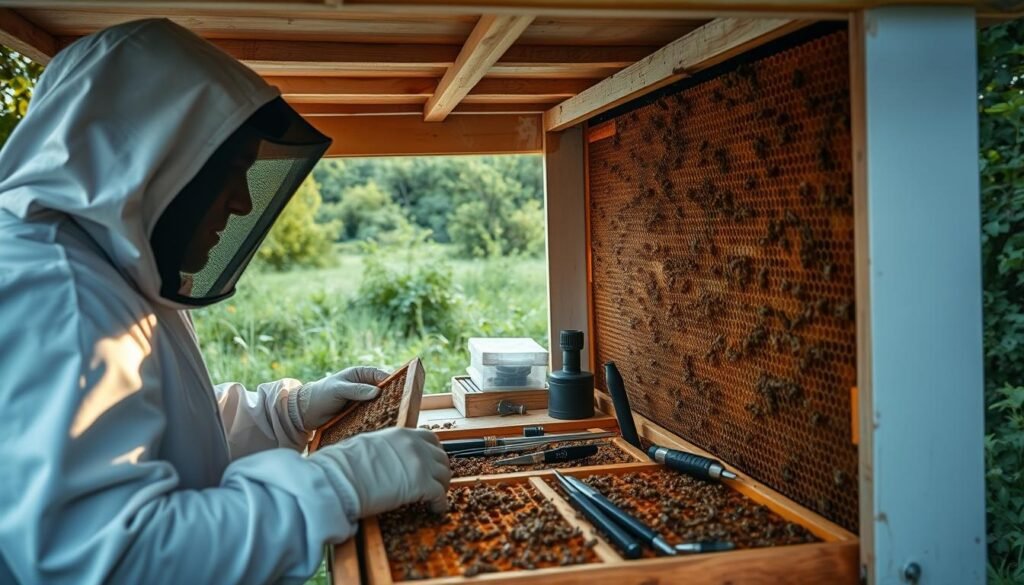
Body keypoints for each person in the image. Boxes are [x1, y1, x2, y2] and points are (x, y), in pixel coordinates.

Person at [0, 18, 451, 584]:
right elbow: (109, 562)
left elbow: (152, 431)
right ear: (150, 158)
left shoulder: (103, 265)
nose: (241, 205)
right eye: (226, 176)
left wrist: (283, 413)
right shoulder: (58, 293)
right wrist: (329, 487)